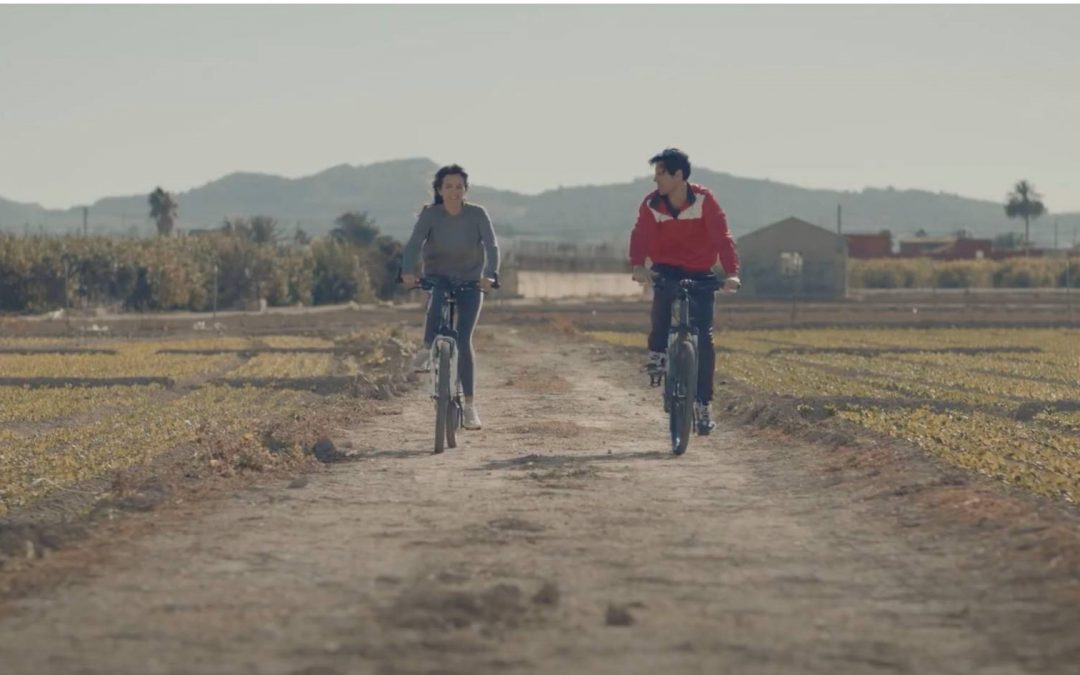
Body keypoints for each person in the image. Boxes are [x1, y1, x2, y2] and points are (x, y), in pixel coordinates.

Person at [628, 148, 741, 435]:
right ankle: (657, 353)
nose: (656, 181)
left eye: (661, 174)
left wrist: (731, 274)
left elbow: (723, 238)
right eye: (655, 175)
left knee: (704, 338)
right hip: (666, 267)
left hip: (700, 271)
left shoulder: (705, 200)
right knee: (662, 305)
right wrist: (638, 265)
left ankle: (703, 405)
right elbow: (640, 234)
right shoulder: (652, 203)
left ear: (679, 176)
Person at [401, 164, 500, 430]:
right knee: (438, 295)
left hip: (470, 280)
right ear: (439, 190)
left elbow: (491, 246)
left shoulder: (478, 214)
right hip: (438, 276)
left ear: (465, 190)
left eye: (459, 187)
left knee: (464, 338)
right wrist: (407, 271)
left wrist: (490, 275)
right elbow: (413, 244)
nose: (454, 191)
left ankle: (469, 406)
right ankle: (426, 348)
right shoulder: (431, 216)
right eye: (449, 186)